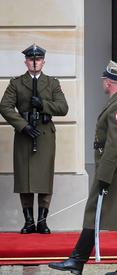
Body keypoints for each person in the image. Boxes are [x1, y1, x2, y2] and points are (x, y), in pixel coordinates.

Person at [48, 61, 117, 275]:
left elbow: (115, 143)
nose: (102, 83)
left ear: (109, 82)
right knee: (106, 212)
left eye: (103, 80)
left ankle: (85, 260)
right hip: (116, 164)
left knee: (113, 213)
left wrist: (104, 175)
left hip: (116, 166)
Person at [0, 44, 69, 234]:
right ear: (26, 62)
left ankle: (42, 221)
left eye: (38, 59)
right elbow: (4, 107)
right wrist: (23, 125)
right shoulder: (16, 83)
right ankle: (29, 221)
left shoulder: (52, 83)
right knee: (25, 178)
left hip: (45, 135)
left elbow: (63, 108)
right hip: (25, 135)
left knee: (44, 178)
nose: (35, 62)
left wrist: (44, 104)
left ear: (43, 62)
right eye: (31, 59)